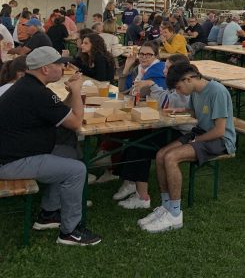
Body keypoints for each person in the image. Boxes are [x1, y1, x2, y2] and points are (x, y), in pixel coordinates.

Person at [0, 47, 102, 245]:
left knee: (69, 154)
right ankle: (70, 231)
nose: (63, 67)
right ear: (45, 69)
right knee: (76, 170)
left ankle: (48, 214)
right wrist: (77, 91)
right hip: (9, 161)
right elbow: (75, 122)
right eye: (59, 64)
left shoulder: (29, 86)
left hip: (16, 151)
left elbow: (58, 112)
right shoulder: (36, 92)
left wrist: (71, 93)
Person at [137, 62, 236, 232]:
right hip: (201, 133)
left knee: (171, 157)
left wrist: (195, 141)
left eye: (178, 87)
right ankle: (166, 206)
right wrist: (178, 110)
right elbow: (194, 113)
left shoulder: (217, 91)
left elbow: (219, 131)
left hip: (220, 140)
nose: (177, 91)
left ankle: (175, 215)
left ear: (189, 79)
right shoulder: (196, 91)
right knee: (161, 154)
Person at [116, 54, 191, 211]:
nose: (163, 71)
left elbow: (167, 103)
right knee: (136, 138)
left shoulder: (185, 88)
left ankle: (142, 197)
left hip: (185, 132)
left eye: (167, 68)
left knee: (140, 145)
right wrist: (151, 86)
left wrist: (151, 86)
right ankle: (131, 182)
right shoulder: (175, 84)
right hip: (172, 127)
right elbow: (165, 99)